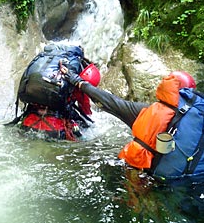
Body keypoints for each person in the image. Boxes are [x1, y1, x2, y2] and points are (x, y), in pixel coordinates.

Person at [60, 65, 204, 180]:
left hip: (149, 179)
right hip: (191, 181)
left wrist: (78, 81)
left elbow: (111, 102)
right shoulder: (198, 119)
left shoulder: (147, 112)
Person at [16, 44, 101, 141]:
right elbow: (84, 106)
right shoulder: (76, 71)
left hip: (27, 123)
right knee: (87, 127)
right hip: (56, 128)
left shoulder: (42, 63)